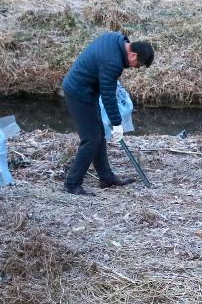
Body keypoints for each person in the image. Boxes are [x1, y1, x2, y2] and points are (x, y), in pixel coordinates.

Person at [61, 31, 154, 195]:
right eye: (137, 65)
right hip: (78, 92)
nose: (134, 68)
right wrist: (117, 124)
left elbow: (106, 87)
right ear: (133, 55)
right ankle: (72, 183)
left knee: (98, 134)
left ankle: (106, 177)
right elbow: (108, 96)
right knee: (91, 139)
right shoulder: (113, 63)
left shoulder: (115, 39)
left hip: (88, 90)